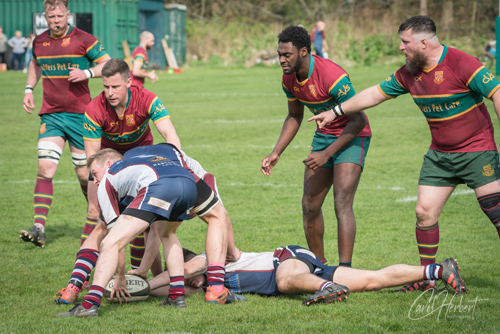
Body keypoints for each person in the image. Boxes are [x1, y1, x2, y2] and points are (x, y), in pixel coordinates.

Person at [308, 16, 500, 292]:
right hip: (440, 155)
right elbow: (374, 94)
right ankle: (428, 279)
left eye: (405, 42)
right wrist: (336, 111)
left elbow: (497, 92)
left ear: (424, 42)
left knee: (496, 211)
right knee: (423, 213)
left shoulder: (461, 62)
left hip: (477, 150)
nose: (401, 48)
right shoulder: (409, 72)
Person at [56, 145, 245, 318]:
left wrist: (121, 277)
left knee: (109, 242)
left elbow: (116, 243)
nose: (95, 181)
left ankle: (89, 304)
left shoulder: (109, 178)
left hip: (159, 183)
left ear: (108, 164)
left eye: (95, 174)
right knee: (195, 224)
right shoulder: (144, 161)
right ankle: (198, 292)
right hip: (187, 178)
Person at [55, 57, 180, 302]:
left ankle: (141, 279)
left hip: (143, 166)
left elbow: (169, 134)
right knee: (96, 217)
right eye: (105, 87)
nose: (110, 93)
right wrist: (104, 184)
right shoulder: (94, 108)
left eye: (115, 87)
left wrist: (174, 163)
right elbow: (93, 159)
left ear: (129, 82)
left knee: (149, 223)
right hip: (109, 167)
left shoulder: (147, 98)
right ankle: (78, 282)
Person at [261, 25, 372, 267]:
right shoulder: (288, 78)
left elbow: (359, 119)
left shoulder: (333, 76)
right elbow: (294, 116)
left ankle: (345, 270)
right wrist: (276, 152)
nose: (281, 60)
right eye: (279, 54)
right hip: (324, 136)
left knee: (341, 202)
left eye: (286, 55)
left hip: (353, 135)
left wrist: (328, 153)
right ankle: (319, 266)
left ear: (303, 51)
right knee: (309, 206)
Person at [20, 0, 110, 247]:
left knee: (84, 176)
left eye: (60, 16)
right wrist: (29, 88)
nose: (56, 21)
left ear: (68, 14)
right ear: (45, 16)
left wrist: (87, 73)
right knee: (45, 169)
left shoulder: (84, 39)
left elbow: (109, 64)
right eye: (51, 17)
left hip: (82, 117)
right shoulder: (39, 42)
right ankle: (38, 227)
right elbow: (35, 64)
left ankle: (97, 218)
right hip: (51, 116)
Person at [148, 244, 467, 306]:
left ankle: (329, 287)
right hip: (303, 268)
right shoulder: (206, 286)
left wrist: (145, 282)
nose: (186, 282)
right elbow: (167, 291)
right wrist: (143, 292)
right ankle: (437, 270)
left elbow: (185, 271)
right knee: (372, 281)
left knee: (286, 283)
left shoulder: (207, 258)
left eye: (185, 276)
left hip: (287, 260)